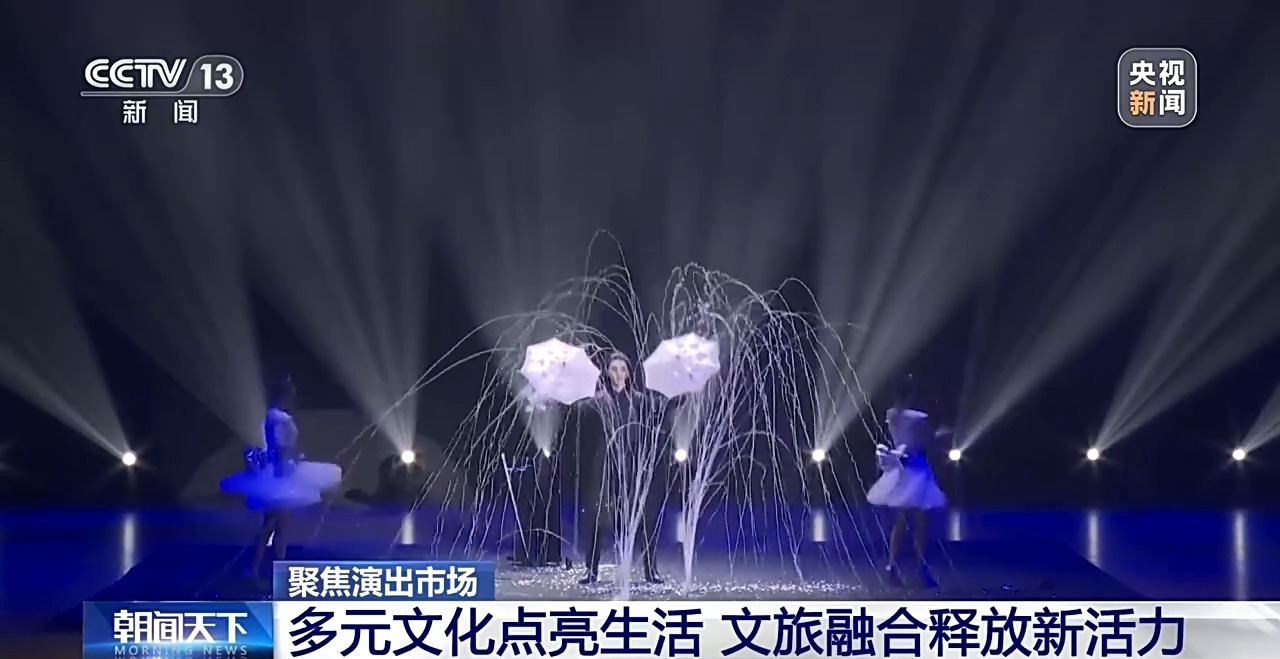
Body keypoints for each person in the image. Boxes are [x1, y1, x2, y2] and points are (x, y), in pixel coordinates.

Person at [221, 376, 343, 581]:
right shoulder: (279, 418)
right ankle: (263, 568)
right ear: (285, 395)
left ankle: (264, 568)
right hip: (282, 472)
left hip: (279, 470)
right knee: (275, 525)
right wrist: (292, 460)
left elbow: (278, 445)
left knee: (276, 525)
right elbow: (281, 447)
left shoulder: (272, 417)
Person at [575, 352, 665, 585]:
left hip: (631, 465)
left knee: (643, 518)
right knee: (597, 518)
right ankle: (591, 570)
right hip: (605, 467)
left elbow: (659, 410)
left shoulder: (638, 400)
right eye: (614, 369)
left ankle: (651, 570)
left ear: (628, 373)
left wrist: (679, 400)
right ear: (607, 372)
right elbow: (579, 409)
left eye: (622, 369)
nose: (618, 374)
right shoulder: (599, 400)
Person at [865, 375, 949, 588]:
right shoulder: (917, 418)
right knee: (920, 521)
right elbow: (926, 442)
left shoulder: (891, 414)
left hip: (902, 467)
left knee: (902, 520)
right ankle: (920, 568)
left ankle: (893, 565)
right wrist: (941, 435)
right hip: (916, 467)